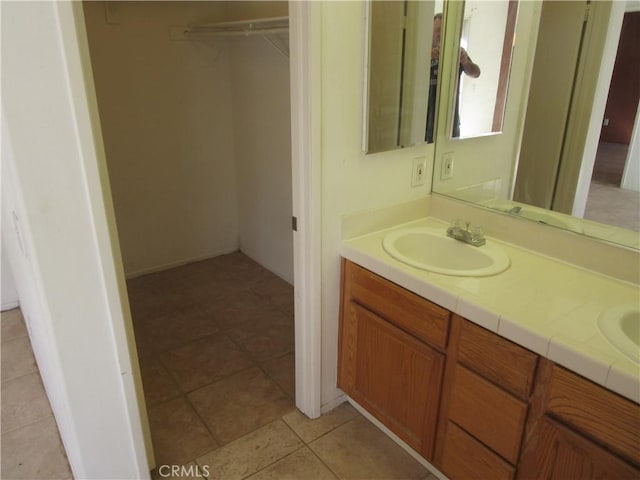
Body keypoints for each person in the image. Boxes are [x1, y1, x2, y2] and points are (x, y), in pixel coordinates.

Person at [426, 13, 481, 142]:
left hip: (451, 122)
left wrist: (465, 62)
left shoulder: (456, 52)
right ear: (431, 32)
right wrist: (427, 55)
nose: (440, 34)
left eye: (444, 31)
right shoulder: (421, 50)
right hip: (425, 122)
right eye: (437, 30)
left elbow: (476, 73)